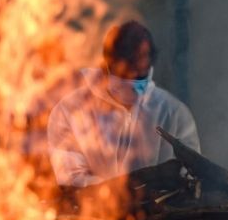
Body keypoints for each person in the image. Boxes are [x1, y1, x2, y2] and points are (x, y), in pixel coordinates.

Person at [47, 20, 201, 187]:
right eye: (125, 75)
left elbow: (190, 178)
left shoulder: (173, 114)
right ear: (106, 66)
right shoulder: (71, 110)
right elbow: (71, 178)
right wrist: (118, 195)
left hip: (163, 212)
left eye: (139, 76)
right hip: (94, 212)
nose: (133, 87)